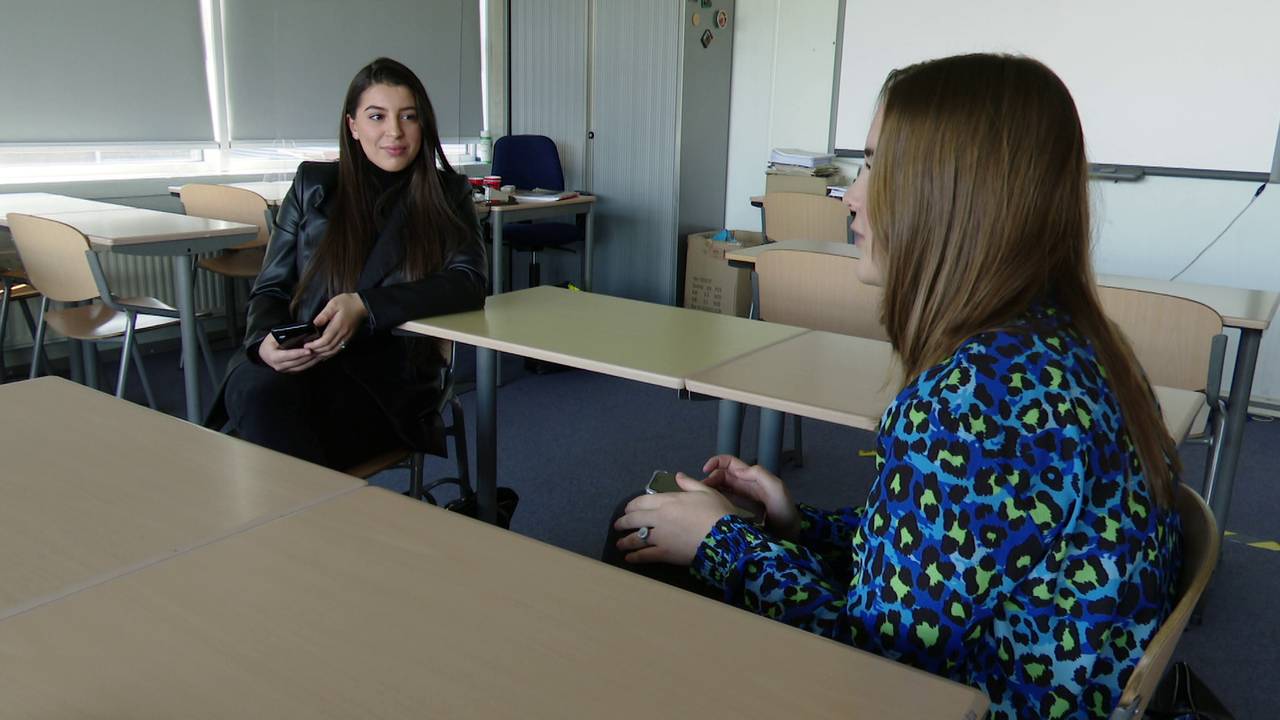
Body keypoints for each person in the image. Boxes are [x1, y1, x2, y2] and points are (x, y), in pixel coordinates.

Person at [608, 54, 1181, 720]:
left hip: (979, 700)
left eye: (876, 166)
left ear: (952, 195)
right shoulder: (1077, 344)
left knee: (638, 533)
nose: (850, 194)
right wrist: (798, 526)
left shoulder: (977, 404)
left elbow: (877, 671)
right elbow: (953, 556)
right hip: (1047, 684)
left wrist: (721, 543)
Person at [206, 57, 486, 470]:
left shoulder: (448, 193)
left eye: (408, 116)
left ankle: (303, 524)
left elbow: (469, 282)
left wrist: (366, 306)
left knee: (260, 423)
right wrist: (264, 342)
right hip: (304, 360)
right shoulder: (313, 185)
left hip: (388, 381)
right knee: (254, 384)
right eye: (377, 116)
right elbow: (271, 288)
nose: (394, 131)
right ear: (353, 126)